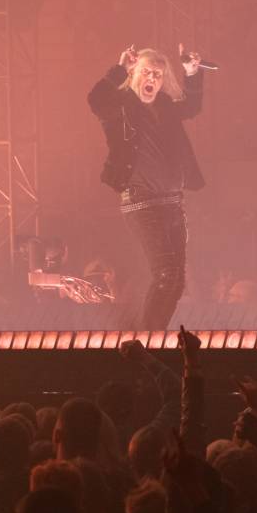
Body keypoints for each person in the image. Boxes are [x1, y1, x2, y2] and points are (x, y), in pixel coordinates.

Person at [87, 44, 206, 329]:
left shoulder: (164, 107)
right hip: (143, 203)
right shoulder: (120, 107)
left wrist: (191, 73)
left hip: (172, 203)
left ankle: (155, 334)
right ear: (135, 74)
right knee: (165, 274)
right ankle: (149, 339)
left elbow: (191, 106)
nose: (152, 78)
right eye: (146, 72)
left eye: (158, 74)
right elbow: (96, 100)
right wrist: (118, 71)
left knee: (177, 280)